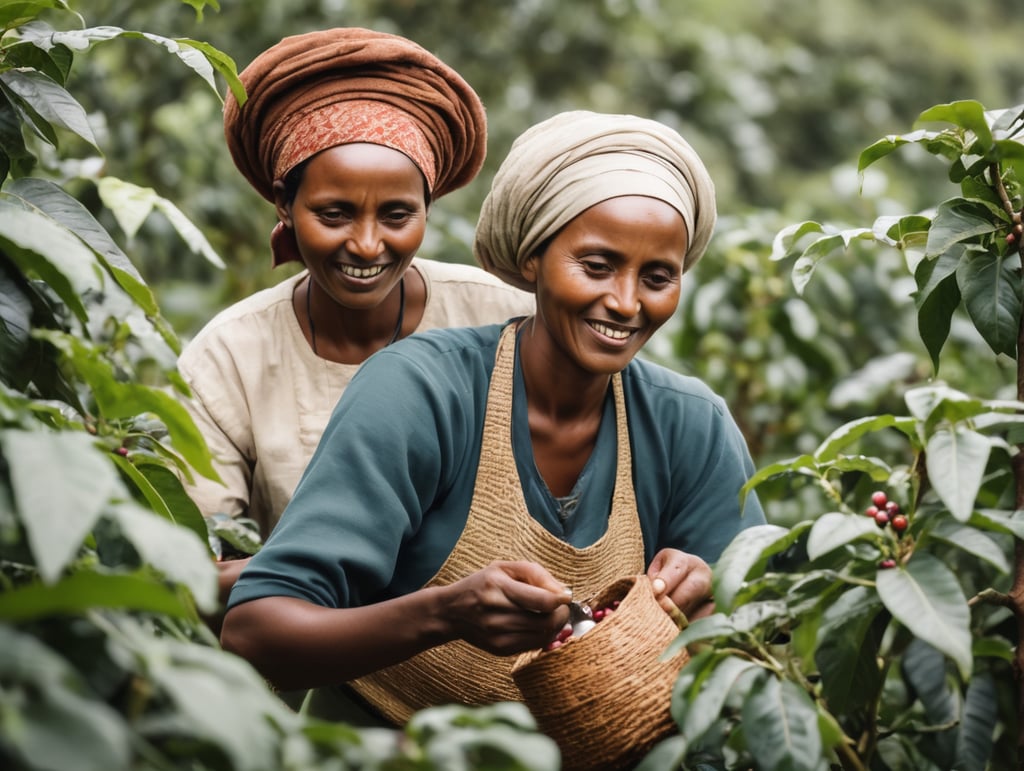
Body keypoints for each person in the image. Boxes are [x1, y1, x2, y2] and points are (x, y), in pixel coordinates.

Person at [220, 110, 766, 726]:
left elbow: (758, 650)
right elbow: (256, 630)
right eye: (596, 265)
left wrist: (705, 604)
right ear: (531, 259)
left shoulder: (690, 425)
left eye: (658, 277)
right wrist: (443, 614)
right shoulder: (419, 392)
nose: (625, 301)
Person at [175, 28, 536, 593]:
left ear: (428, 208)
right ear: (284, 205)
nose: (368, 245)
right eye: (335, 213)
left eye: (397, 215)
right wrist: (344, 576)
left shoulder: (503, 317)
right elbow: (196, 570)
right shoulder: (229, 360)